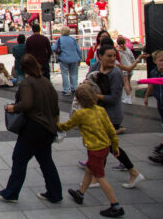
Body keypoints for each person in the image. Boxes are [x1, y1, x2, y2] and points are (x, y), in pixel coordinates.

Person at [0, 54, 62, 204]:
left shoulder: (27, 83)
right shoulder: (46, 81)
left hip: (33, 128)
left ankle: (11, 192)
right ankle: (55, 192)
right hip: (47, 128)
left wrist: (13, 107)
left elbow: (26, 104)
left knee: (19, 159)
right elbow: (55, 105)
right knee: (46, 161)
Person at [81, 44, 145, 188]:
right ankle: (128, 173)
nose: (112, 59)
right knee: (105, 146)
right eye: (108, 56)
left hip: (111, 114)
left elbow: (115, 98)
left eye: (113, 56)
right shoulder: (96, 66)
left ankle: (130, 172)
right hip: (99, 112)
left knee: (104, 146)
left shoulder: (116, 73)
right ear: (100, 56)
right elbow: (88, 79)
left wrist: (94, 95)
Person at [58, 84, 125, 217]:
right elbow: (111, 130)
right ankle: (80, 193)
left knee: (100, 177)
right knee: (89, 169)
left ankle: (115, 205)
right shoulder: (100, 110)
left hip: (95, 149)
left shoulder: (81, 114)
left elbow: (67, 126)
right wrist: (115, 147)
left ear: (79, 100)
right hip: (105, 147)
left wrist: (55, 124)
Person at [144, 50, 163, 164]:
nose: (162, 63)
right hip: (160, 103)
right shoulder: (153, 73)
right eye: (160, 61)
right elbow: (151, 85)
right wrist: (146, 96)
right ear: (155, 61)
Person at [53, 26, 82, 95]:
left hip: (63, 58)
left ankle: (66, 90)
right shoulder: (73, 39)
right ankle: (74, 88)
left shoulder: (59, 39)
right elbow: (78, 49)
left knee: (65, 74)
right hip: (74, 58)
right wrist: (79, 58)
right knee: (74, 74)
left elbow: (53, 48)